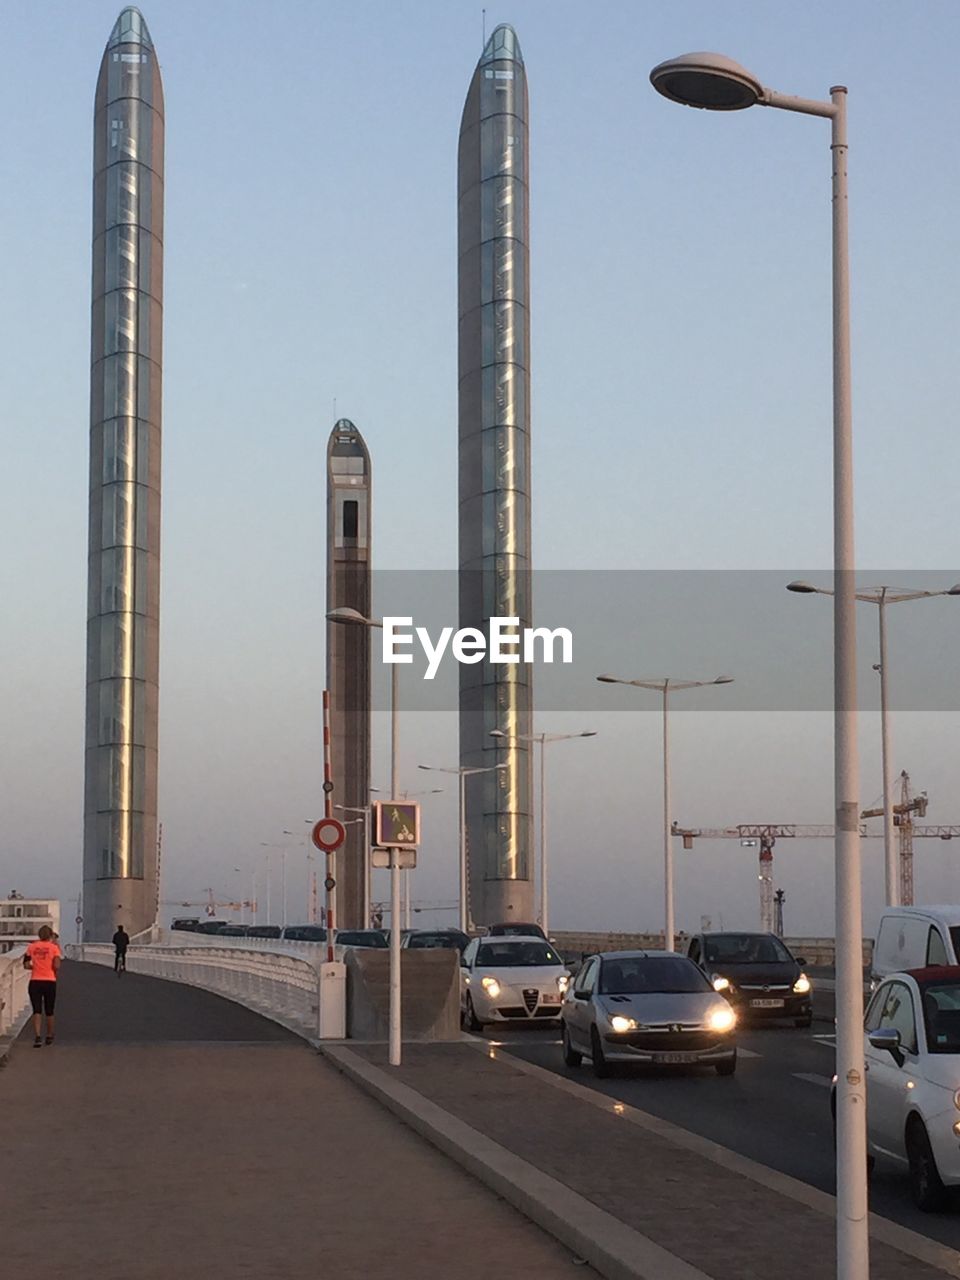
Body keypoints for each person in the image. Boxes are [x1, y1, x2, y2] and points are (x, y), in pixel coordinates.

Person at [23, 925, 61, 1047]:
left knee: (37, 1010)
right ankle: (49, 1035)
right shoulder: (54, 948)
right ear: (50, 935)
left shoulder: (32, 947)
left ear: (39, 935)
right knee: (49, 1010)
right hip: (49, 980)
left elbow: (26, 964)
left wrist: (35, 966)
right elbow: (57, 965)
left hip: (35, 981)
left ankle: (38, 1036)